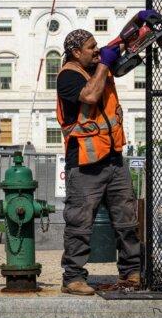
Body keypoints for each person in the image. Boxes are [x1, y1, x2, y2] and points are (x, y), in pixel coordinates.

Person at [56, 20, 143, 295]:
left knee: (127, 220)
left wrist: (139, 24)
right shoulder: (68, 75)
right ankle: (73, 278)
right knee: (80, 223)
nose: (96, 51)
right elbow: (91, 96)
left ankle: (131, 273)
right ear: (75, 53)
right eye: (90, 47)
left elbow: (119, 41)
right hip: (84, 162)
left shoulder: (97, 66)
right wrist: (105, 64)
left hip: (113, 158)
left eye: (96, 47)